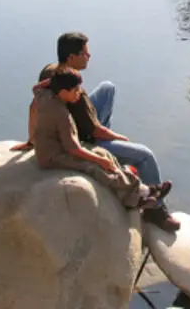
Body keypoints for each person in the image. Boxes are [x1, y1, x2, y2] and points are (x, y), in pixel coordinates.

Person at [11, 32, 181, 232]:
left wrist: (31, 139)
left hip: (83, 122)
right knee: (144, 155)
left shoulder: (55, 75)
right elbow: (93, 129)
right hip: (83, 136)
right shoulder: (70, 91)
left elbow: (34, 104)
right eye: (84, 53)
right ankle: (155, 211)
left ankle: (116, 151)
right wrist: (116, 138)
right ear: (71, 58)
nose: (89, 57)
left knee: (107, 88)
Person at [31, 67, 173, 213]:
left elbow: (36, 87)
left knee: (104, 153)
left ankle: (142, 189)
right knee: (95, 167)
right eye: (75, 90)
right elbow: (72, 148)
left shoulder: (44, 95)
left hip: (56, 147)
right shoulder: (61, 115)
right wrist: (100, 161)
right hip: (54, 156)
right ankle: (134, 199)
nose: (79, 93)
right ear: (64, 91)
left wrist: (57, 80)